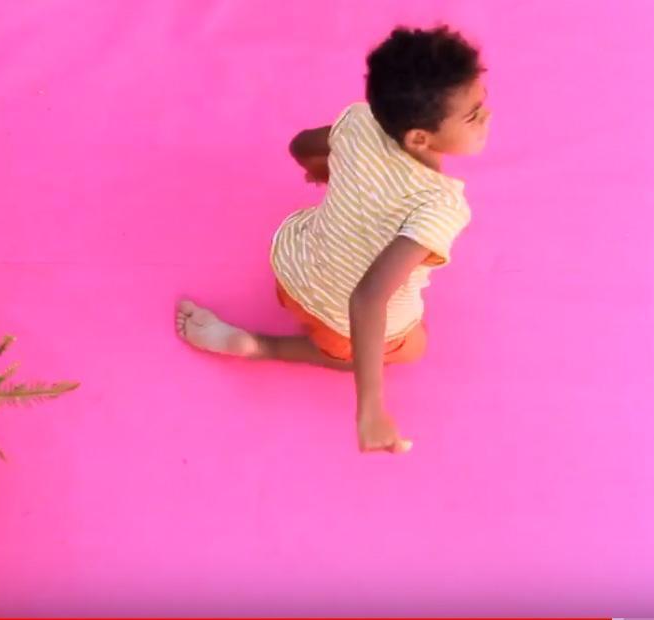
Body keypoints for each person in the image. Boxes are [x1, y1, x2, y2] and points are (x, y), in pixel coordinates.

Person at [175, 25, 491, 454]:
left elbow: (300, 145)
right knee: (414, 348)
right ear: (419, 137)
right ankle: (263, 345)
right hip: (338, 324)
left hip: (290, 269)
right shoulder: (441, 207)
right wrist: (371, 409)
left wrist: (323, 169)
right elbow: (367, 299)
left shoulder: (360, 121)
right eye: (473, 114)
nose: (487, 117)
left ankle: (296, 332)